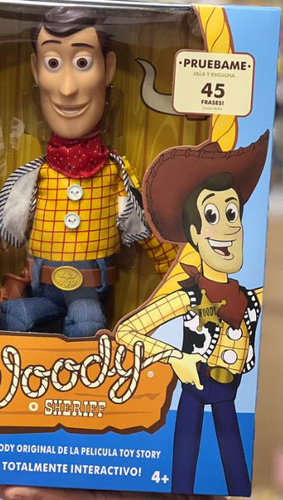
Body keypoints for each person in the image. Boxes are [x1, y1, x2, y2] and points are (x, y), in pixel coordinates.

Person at [0, 7, 177, 337]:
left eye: (83, 62)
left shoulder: (115, 174)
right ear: (35, 70)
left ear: (109, 69)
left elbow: (149, 233)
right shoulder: (33, 179)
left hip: (90, 293)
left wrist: (184, 282)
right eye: (53, 63)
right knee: (15, 317)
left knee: (87, 321)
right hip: (41, 288)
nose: (67, 89)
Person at [114, 131, 269, 496]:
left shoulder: (253, 297)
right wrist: (175, 358)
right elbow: (127, 332)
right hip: (193, 387)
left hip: (233, 395)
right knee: (180, 471)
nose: (229, 228)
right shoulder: (187, 296)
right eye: (213, 216)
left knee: (235, 470)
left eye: (233, 213)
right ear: (195, 235)